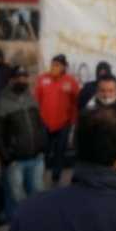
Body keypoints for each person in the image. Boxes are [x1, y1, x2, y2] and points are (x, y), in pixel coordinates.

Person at [0, 66, 47, 221]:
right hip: (15, 162)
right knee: (15, 198)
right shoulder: (1, 103)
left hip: (36, 159)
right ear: (11, 80)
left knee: (37, 196)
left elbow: (39, 125)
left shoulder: (31, 99)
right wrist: (7, 158)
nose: (22, 80)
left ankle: (35, 230)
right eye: (18, 77)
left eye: (24, 77)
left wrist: (42, 147)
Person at [34, 54, 80, 187]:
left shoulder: (70, 81)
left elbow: (75, 103)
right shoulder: (42, 79)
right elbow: (36, 100)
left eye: (57, 65)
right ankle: (40, 175)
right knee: (44, 151)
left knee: (60, 152)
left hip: (63, 124)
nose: (54, 67)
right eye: (53, 64)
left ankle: (56, 178)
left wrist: (72, 121)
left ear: (64, 67)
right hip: (44, 123)